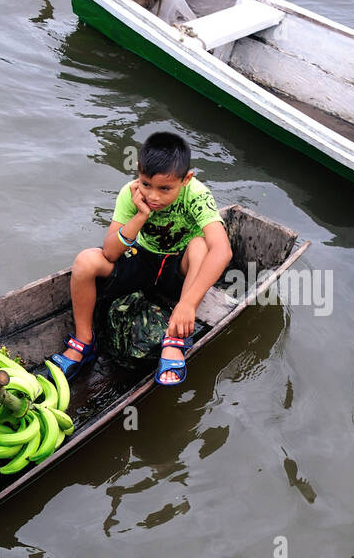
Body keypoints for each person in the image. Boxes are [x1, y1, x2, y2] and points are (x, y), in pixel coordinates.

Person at [50, 131, 234, 386]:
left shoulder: (196, 194)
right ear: (138, 171)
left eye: (165, 188)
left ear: (186, 179)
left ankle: (174, 339)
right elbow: (111, 252)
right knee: (86, 260)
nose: (154, 196)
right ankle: (84, 341)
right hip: (142, 261)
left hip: (179, 272)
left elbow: (222, 250)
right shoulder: (131, 193)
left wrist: (188, 305)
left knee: (200, 244)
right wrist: (140, 216)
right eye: (147, 184)